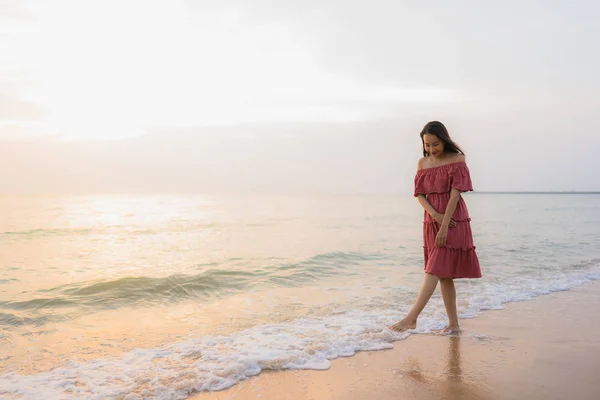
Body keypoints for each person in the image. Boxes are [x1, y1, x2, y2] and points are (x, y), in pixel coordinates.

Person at [390, 121, 482, 334]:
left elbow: (455, 194)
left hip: (453, 219)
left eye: (436, 144)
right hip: (432, 218)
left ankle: (411, 318)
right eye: (427, 145)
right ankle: (454, 324)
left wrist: (443, 223)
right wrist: (435, 215)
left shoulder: (458, 160)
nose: (431, 149)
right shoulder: (422, 163)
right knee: (443, 274)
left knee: (434, 268)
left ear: (445, 140)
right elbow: (419, 194)